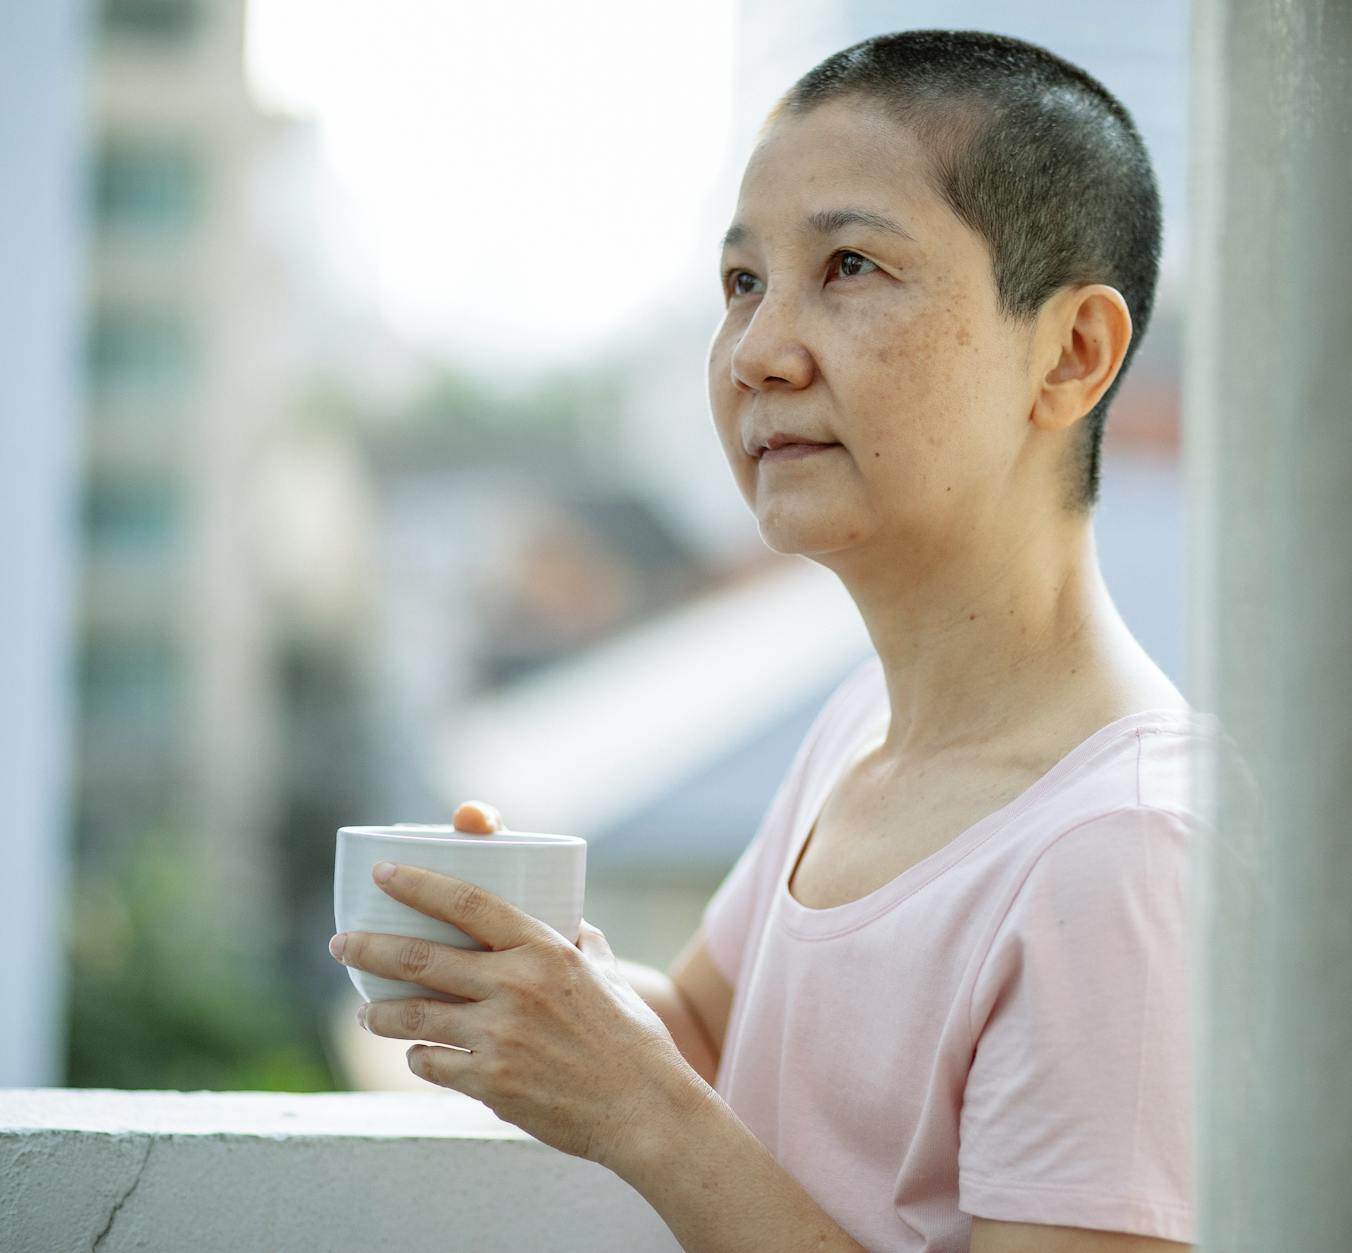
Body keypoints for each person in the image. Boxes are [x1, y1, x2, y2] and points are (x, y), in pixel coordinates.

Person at [352, 29, 1217, 1252]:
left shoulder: (1120, 852)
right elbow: (708, 1038)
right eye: (743, 283)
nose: (759, 353)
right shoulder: (864, 728)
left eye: (852, 266)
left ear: (1070, 352)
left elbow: (668, 1102)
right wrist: (536, 974)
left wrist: (639, 1110)